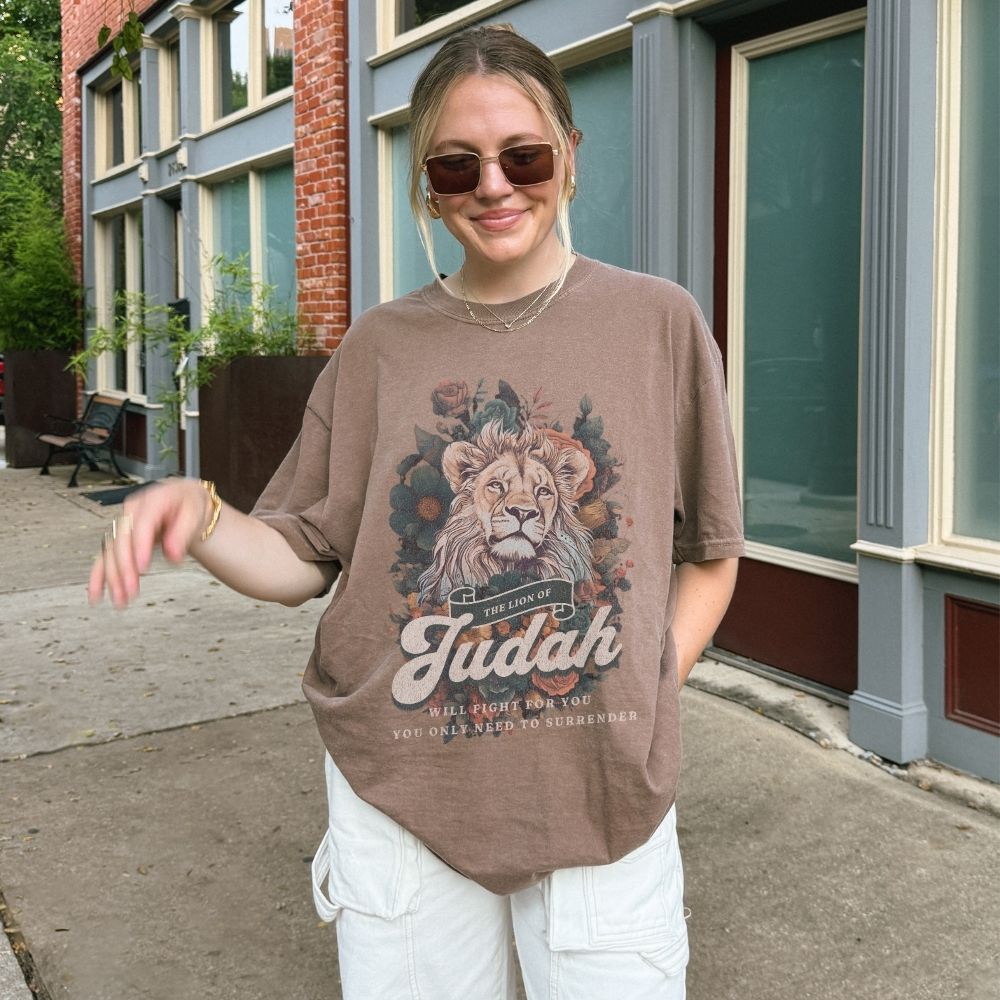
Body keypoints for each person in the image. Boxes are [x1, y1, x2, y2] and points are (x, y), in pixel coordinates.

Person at [91, 24, 743, 1000]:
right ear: (425, 185)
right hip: (400, 790)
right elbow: (305, 557)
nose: (493, 185)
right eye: (456, 164)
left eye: (523, 156)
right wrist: (205, 516)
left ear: (569, 155)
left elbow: (712, 552)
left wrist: (650, 687)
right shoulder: (380, 347)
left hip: (600, 781)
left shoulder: (658, 323)